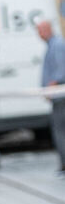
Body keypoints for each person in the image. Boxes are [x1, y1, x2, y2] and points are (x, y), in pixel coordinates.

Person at [36, 19, 65, 175]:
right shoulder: (52, 46)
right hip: (57, 96)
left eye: (41, 30)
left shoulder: (57, 45)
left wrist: (50, 88)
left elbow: (61, 70)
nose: (39, 34)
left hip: (60, 96)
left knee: (60, 130)